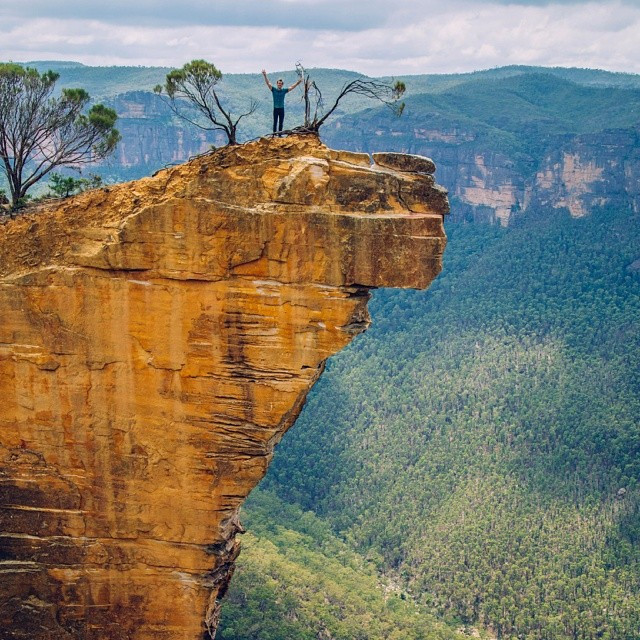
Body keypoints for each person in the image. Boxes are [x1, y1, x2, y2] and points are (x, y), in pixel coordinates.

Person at [262, 70, 302, 135]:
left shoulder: (284, 91)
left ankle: (280, 135)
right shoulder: (273, 90)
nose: (279, 84)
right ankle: (274, 135)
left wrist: (298, 82)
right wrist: (265, 75)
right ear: (277, 84)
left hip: (281, 109)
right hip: (275, 108)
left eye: (280, 84)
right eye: (278, 83)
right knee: (275, 122)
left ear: (282, 84)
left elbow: (291, 87)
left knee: (281, 122)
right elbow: (268, 83)